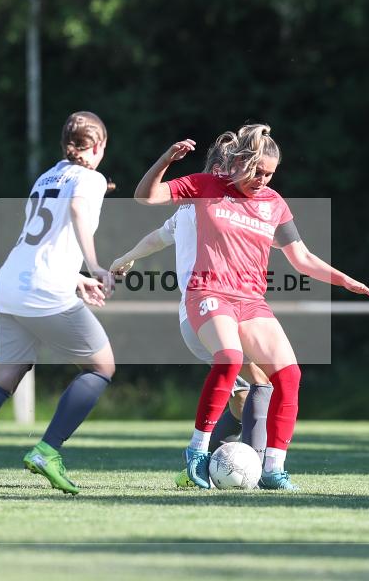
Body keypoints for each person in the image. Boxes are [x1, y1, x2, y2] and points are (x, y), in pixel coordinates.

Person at [134, 124, 369, 490]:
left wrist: (345, 280)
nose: (262, 180)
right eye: (257, 172)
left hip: (250, 301)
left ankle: (273, 469)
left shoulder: (274, 203)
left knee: (290, 376)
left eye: (269, 174)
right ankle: (197, 453)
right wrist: (166, 160)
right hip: (208, 293)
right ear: (236, 164)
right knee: (230, 358)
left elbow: (302, 259)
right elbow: (145, 197)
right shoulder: (206, 186)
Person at [0, 111, 116, 497]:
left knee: (0, 382)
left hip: (9, 287)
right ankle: (48, 451)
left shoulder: (46, 177)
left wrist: (76, 277)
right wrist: (95, 266)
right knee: (101, 367)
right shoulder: (92, 178)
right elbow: (79, 212)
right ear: (98, 146)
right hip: (44, 291)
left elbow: (43, 242)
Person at [110, 133, 273, 487]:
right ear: (219, 170)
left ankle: (210, 464)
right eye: (238, 168)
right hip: (209, 309)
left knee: (244, 394)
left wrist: (126, 257)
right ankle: (256, 470)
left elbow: (157, 237)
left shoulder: (194, 207)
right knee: (258, 387)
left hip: (203, 312)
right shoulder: (209, 202)